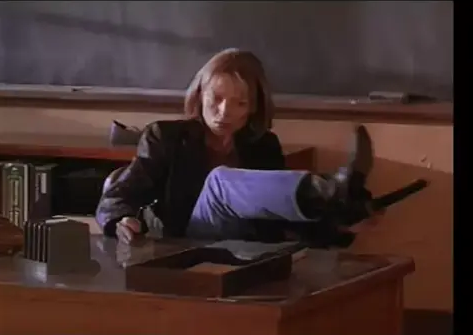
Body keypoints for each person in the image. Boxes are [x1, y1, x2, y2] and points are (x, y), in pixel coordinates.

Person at [96, 48, 382, 245]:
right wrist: (121, 219)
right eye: (216, 98)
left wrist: (341, 228)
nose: (224, 112)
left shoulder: (264, 145)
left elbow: (284, 218)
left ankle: (337, 202)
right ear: (200, 95)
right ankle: (331, 191)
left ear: (254, 107)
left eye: (240, 103)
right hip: (185, 246)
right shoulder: (165, 137)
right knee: (220, 182)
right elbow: (117, 196)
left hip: (247, 248)